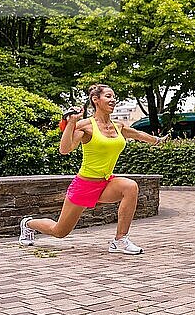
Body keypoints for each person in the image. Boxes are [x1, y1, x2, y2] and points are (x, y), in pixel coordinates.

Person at [19, 84, 167, 255]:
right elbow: (64, 149)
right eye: (109, 96)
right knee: (59, 231)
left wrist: (157, 140)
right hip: (85, 185)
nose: (113, 100)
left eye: (114, 97)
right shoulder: (86, 126)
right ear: (96, 100)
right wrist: (72, 122)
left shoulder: (117, 126)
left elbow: (137, 134)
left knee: (130, 186)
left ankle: (120, 240)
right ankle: (28, 224)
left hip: (106, 182)